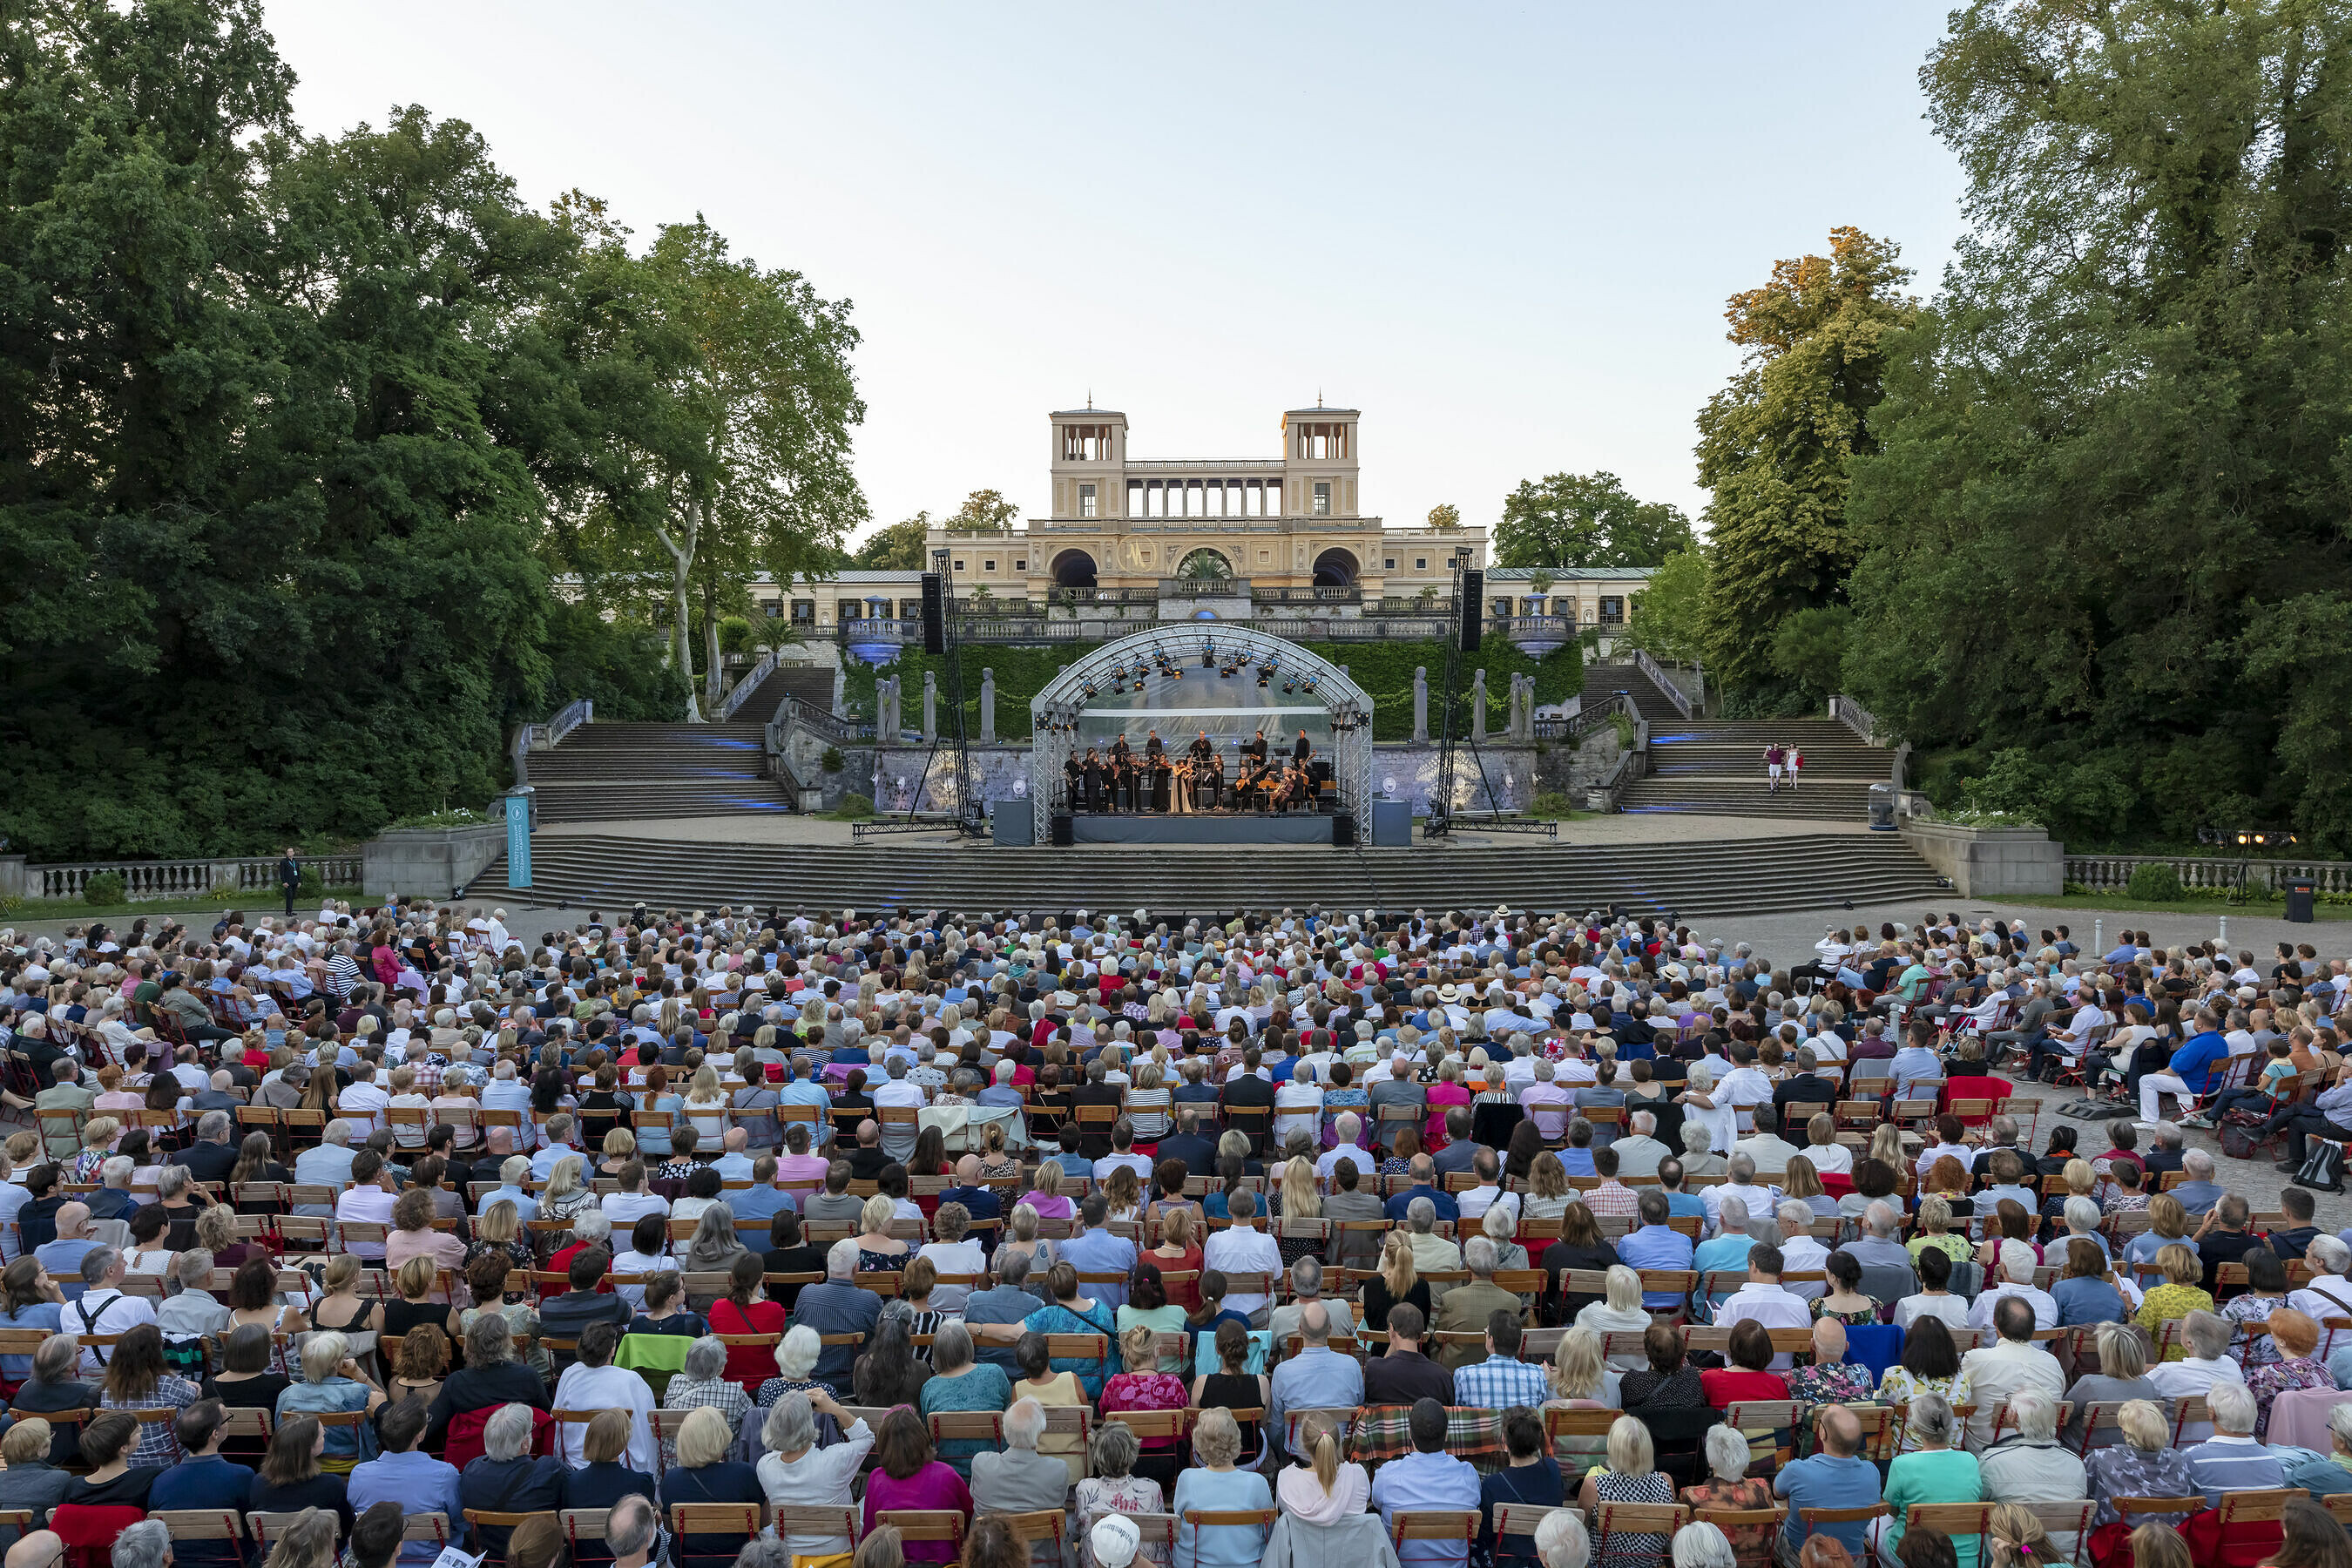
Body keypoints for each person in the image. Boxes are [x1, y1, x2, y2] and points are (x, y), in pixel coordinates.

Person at [757, 1389, 874, 1562]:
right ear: (809, 1424)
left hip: (791, 1558)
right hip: (839, 1555)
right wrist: (835, 1408)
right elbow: (866, 1437)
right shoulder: (835, 1460)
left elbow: (780, 1449)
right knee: (867, 1499)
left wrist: (789, 1413)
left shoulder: (765, 1466)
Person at [348, 1397, 464, 1568]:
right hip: (434, 1562)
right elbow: (460, 1522)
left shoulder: (359, 1475)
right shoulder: (445, 1474)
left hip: (379, 1562)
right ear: (420, 1435)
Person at [1975, 1389, 2086, 1560]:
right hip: (2066, 1558)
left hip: (2015, 1557)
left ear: (2012, 1416)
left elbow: (1979, 1506)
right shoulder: (2075, 1462)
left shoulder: (1992, 1461)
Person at [1877, 1395, 1984, 1568]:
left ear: (1916, 1428)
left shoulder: (1902, 1464)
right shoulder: (1970, 1460)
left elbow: (1893, 1510)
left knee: (1874, 1522)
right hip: (1970, 1559)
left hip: (1914, 1558)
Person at [456, 1402, 567, 1565]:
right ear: (524, 1443)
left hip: (492, 1558)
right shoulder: (547, 1471)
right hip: (537, 1559)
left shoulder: (471, 1472)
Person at [859, 1407, 972, 1564]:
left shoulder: (877, 1479)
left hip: (895, 1562)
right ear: (921, 1437)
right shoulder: (947, 1474)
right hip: (945, 1562)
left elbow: (870, 1533)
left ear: (884, 1443)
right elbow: (969, 1518)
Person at [660, 1404, 768, 1565]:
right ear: (720, 1436)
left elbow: (669, 1528)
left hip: (687, 1562)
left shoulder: (671, 1480)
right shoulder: (744, 1474)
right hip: (741, 1561)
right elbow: (765, 1521)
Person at [1774, 1405, 1880, 1565]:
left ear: (1823, 1433)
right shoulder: (1872, 1473)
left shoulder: (1796, 1470)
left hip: (1801, 1558)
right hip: (1852, 1562)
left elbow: (1777, 1493)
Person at [970, 1399, 1071, 1565]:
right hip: (1041, 1559)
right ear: (1039, 1434)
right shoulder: (1058, 1470)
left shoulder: (981, 1464)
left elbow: (973, 1496)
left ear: (1005, 1431)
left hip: (992, 1559)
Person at [1575, 1416, 1676, 1568]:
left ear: (1612, 1447)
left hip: (1603, 1563)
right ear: (1647, 1448)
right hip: (1650, 1563)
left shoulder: (1595, 1486)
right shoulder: (1665, 1482)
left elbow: (1583, 1524)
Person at [274, 1330, 384, 1470]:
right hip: (354, 1464)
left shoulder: (287, 1395)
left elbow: (281, 1432)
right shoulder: (359, 1392)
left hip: (303, 1465)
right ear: (336, 1363)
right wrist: (359, 1375)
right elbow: (384, 1408)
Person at [2085, 1400, 2195, 1532]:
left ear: (2124, 1432)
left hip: (2120, 1540)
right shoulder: (2178, 1459)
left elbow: (2083, 1500)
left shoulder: (2100, 1458)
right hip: (2171, 1538)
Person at [1481, 1406, 1567, 1568]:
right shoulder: (1553, 1470)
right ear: (1537, 1440)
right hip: (1545, 1560)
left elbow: (1483, 1537)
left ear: (1504, 1441)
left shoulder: (1492, 1485)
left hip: (1507, 1562)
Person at [1074, 1422, 1165, 1568]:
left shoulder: (1085, 1489)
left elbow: (1079, 1528)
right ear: (1131, 1452)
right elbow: (1162, 1535)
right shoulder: (1151, 1489)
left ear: (1097, 1453)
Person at [246, 1416, 351, 1531]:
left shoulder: (259, 1484)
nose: (325, 1434)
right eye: (321, 1435)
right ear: (309, 1448)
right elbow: (346, 1527)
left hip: (275, 1541)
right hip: (319, 1542)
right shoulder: (331, 1485)